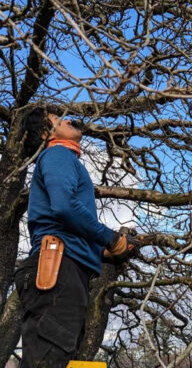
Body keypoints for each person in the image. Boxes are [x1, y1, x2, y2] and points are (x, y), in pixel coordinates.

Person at [13, 107, 136, 367]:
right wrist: (110, 239)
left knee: (59, 360)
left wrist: (103, 253)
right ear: (46, 134)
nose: (67, 119)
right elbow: (65, 206)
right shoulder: (56, 154)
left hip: (65, 270)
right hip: (57, 271)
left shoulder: (63, 160)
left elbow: (67, 225)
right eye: (57, 120)